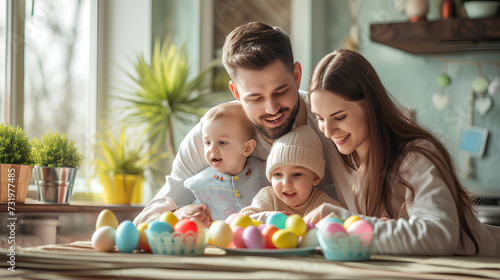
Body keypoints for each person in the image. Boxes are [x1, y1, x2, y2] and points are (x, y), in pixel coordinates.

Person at [133, 22, 345, 227]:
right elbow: (146, 218)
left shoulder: (328, 124)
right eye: (255, 98)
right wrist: (175, 214)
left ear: (297, 77)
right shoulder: (212, 136)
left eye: (280, 92)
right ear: (236, 93)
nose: (272, 108)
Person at [305, 49, 500, 256]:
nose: (327, 131)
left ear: (371, 106)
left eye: (340, 117)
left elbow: (439, 236)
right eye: (319, 117)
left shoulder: (415, 156)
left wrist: (347, 222)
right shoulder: (347, 153)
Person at [184, 102, 269, 221]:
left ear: (247, 148)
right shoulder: (202, 185)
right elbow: (194, 220)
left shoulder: (263, 173)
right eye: (207, 142)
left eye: (222, 142)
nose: (212, 148)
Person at [240, 125, 342, 222]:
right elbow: (241, 220)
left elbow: (348, 223)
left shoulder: (322, 205)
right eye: (277, 175)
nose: (286, 183)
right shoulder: (269, 198)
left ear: (315, 177)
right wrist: (267, 218)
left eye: (297, 174)